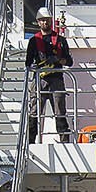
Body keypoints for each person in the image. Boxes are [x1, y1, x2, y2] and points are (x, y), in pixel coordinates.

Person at [26, 8, 72, 141]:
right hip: (39, 79)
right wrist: (34, 67)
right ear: (38, 22)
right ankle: (30, 141)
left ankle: (64, 140)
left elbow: (69, 61)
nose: (44, 22)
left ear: (51, 21)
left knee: (59, 111)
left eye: (46, 20)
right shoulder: (33, 41)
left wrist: (59, 59)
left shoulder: (61, 40)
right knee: (34, 112)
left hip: (56, 79)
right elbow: (28, 62)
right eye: (42, 20)